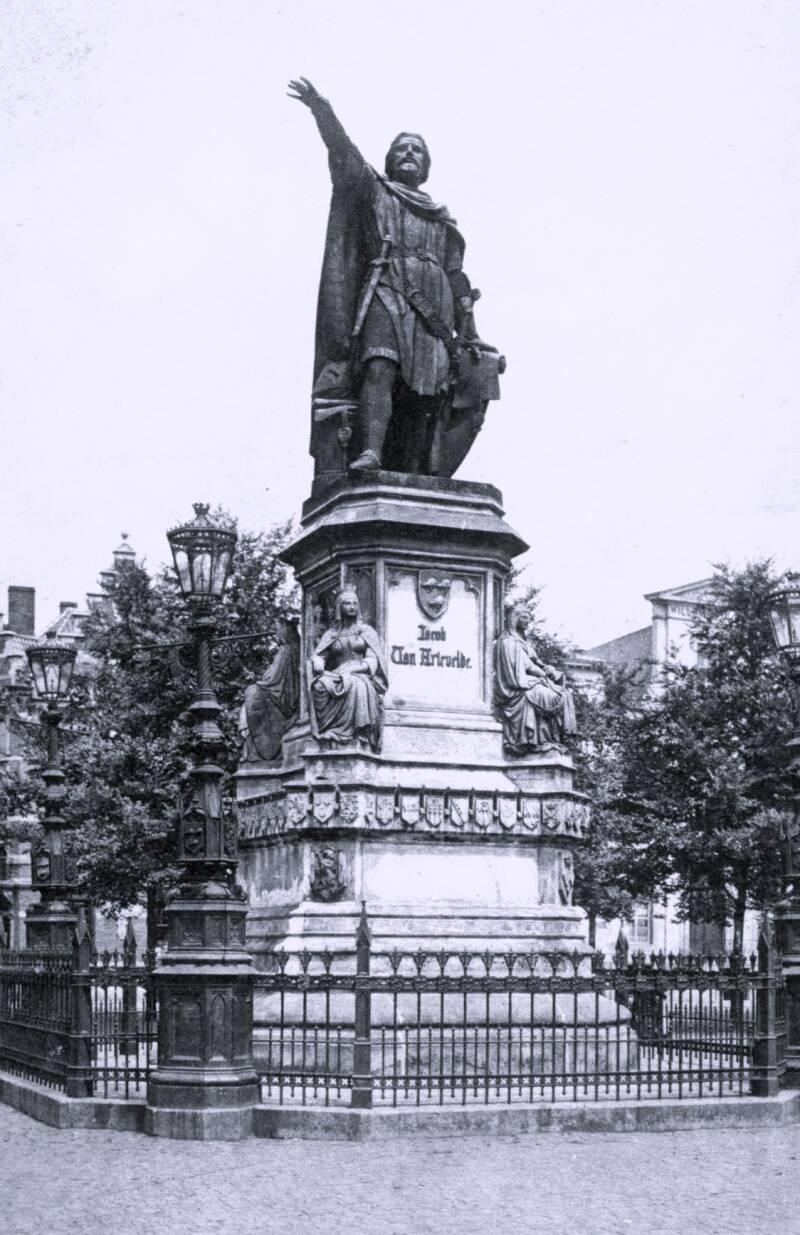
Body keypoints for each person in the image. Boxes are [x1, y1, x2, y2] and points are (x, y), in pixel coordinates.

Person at [288, 77, 498, 477]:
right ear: (390, 160)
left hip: (434, 309)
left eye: (417, 149)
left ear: (426, 166)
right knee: (379, 367)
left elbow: (456, 275)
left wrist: (469, 328)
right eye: (402, 148)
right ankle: (370, 451)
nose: (410, 153)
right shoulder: (375, 191)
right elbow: (345, 155)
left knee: (429, 388)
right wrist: (323, 111)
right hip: (387, 290)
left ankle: (415, 467)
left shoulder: (441, 216)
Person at [309, 586, 387, 752]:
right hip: (337, 674)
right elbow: (319, 654)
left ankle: (358, 735)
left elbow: (373, 661)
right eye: (347, 603)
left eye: (354, 603)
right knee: (319, 685)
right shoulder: (331, 634)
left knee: (355, 684)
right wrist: (317, 659)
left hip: (360, 673)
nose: (352, 607)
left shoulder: (366, 631)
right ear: (339, 607)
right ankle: (330, 731)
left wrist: (353, 669)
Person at [493, 606, 577, 754]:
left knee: (564, 693)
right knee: (554, 696)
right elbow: (527, 668)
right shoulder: (508, 642)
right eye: (524, 617)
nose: (528, 621)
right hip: (516, 688)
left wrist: (549, 669)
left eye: (528, 618)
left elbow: (537, 663)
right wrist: (544, 676)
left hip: (528, 682)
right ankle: (541, 740)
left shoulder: (522, 642)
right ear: (515, 619)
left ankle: (551, 740)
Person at [238, 618, 300, 762]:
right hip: (285, 695)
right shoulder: (292, 648)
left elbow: (272, 678)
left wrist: (261, 682)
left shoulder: (286, 650)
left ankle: (251, 753)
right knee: (248, 702)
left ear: (285, 630)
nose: (276, 633)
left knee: (249, 700)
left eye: (278, 629)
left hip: (282, 697)